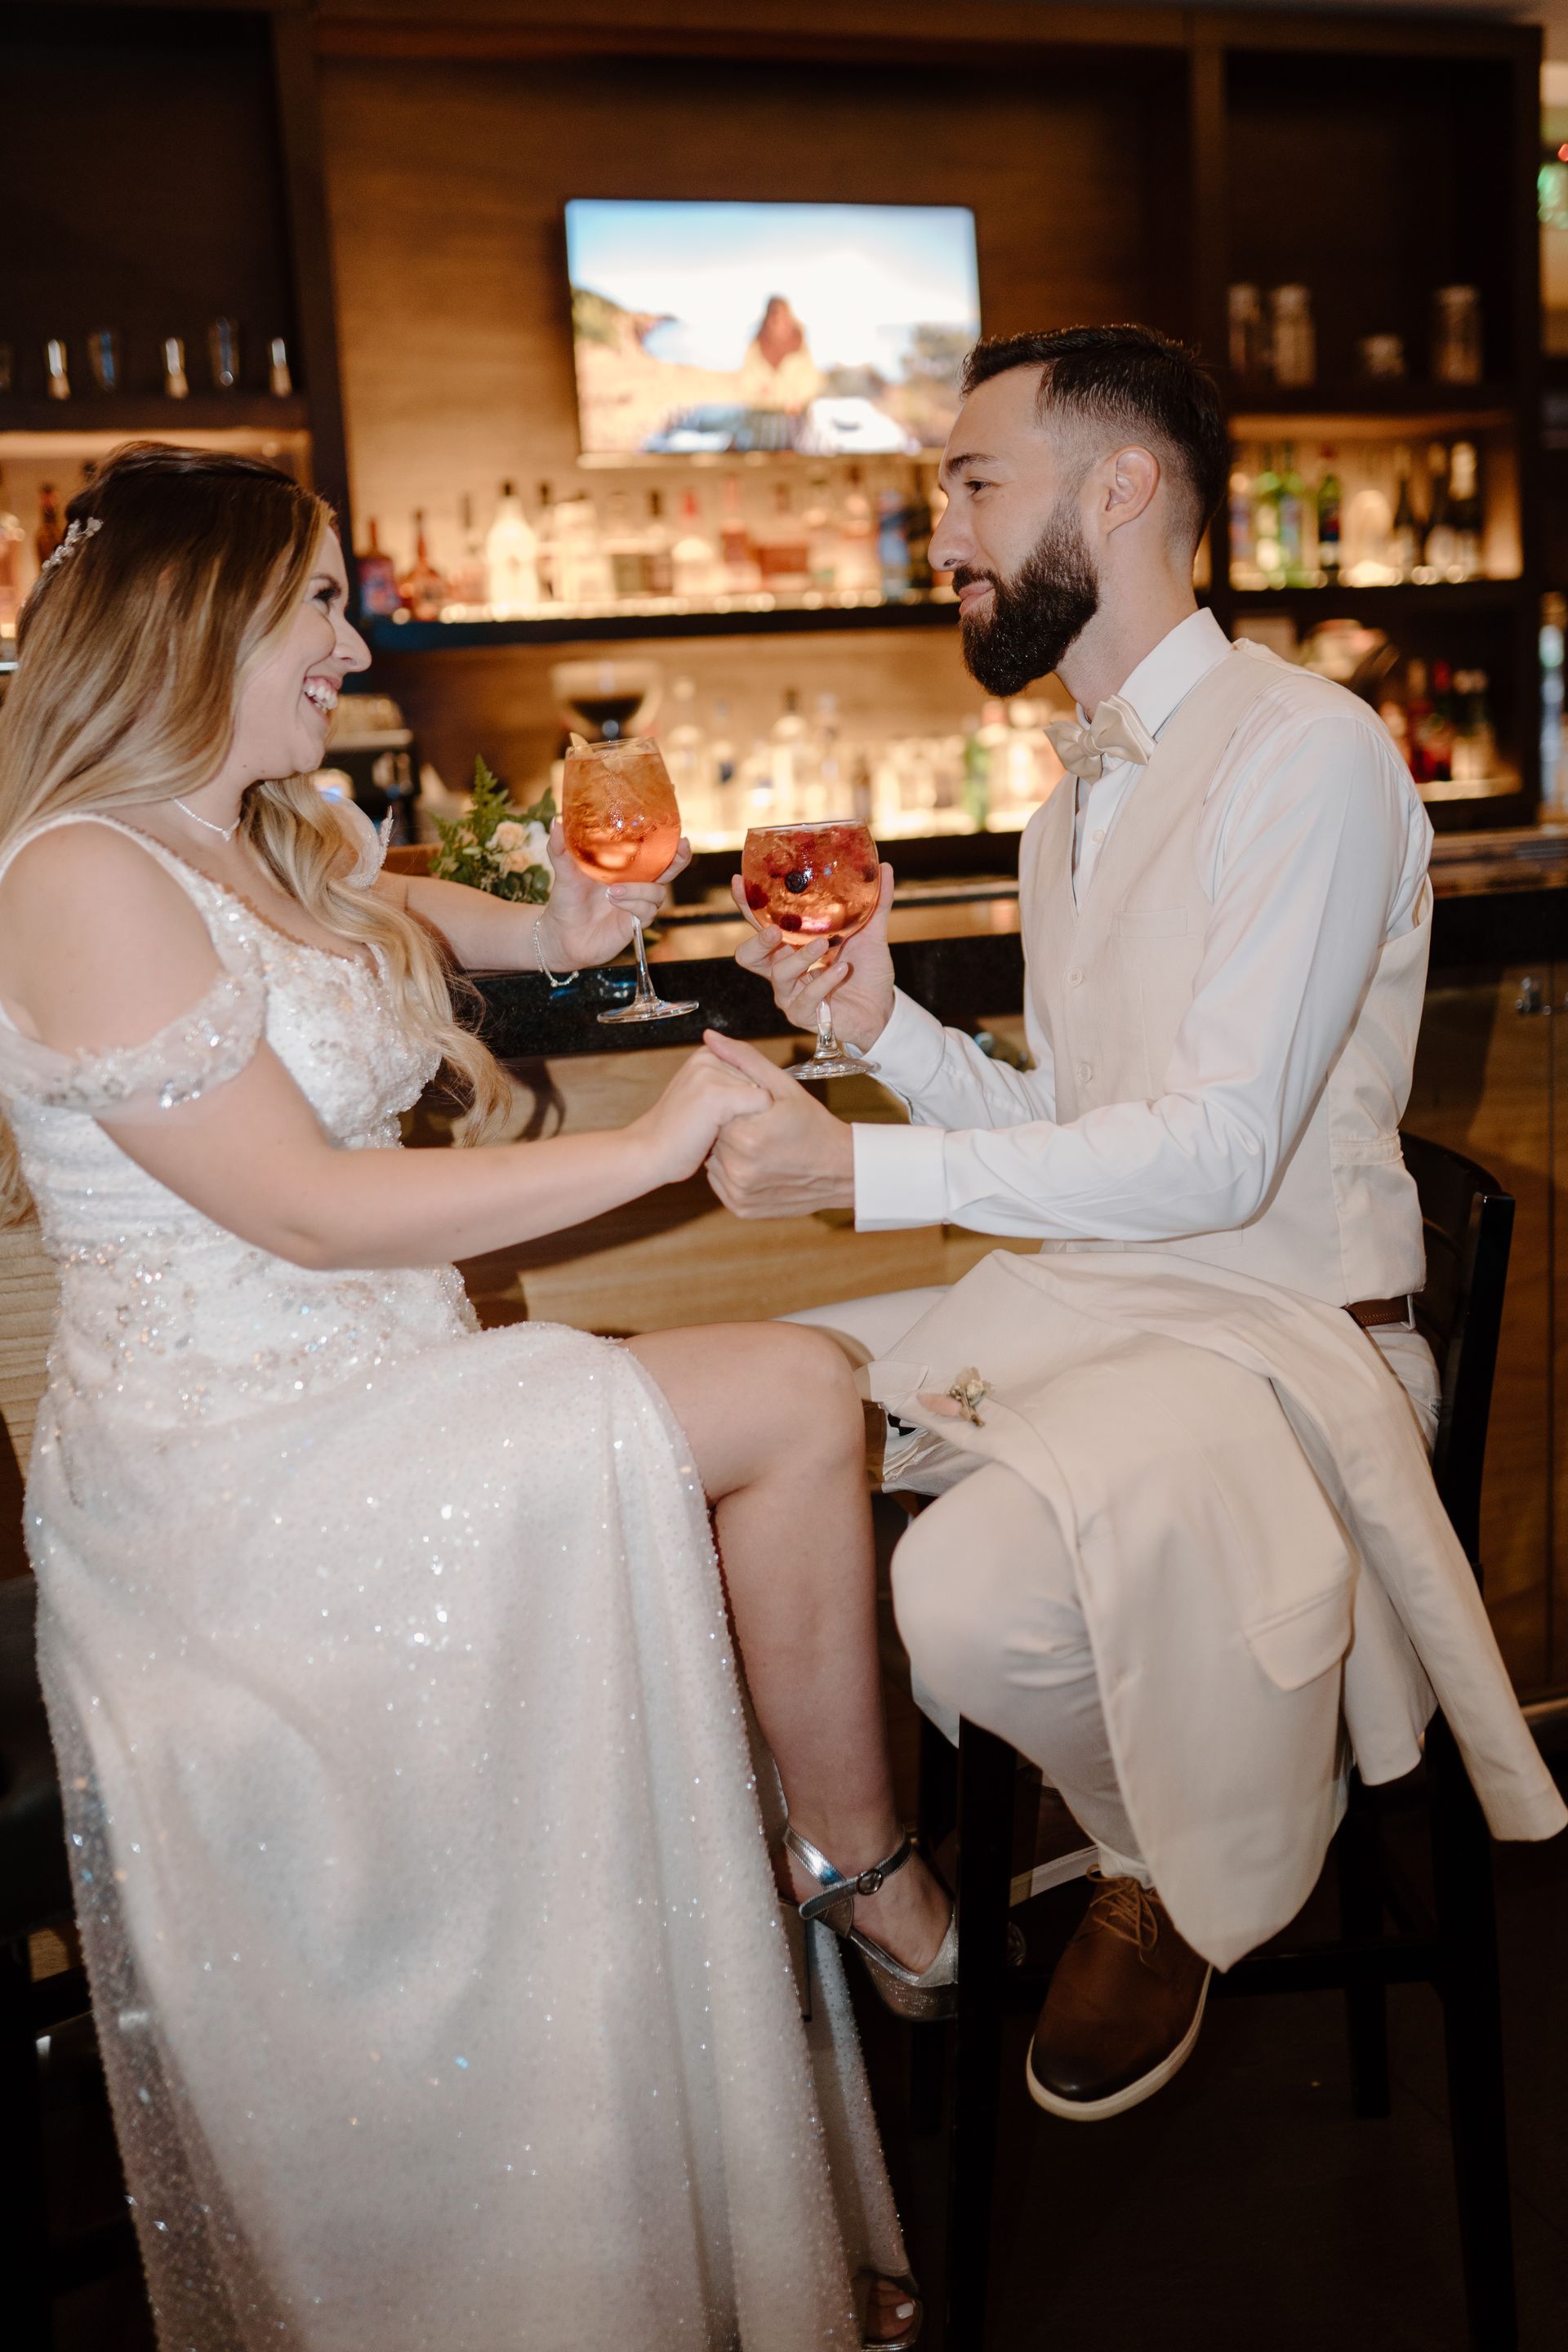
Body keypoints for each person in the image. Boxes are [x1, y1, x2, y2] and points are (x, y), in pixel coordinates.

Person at [0, 443, 955, 2350]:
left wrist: (577, 932)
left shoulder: (255, 823)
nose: (348, 648)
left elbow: (413, 911)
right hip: (230, 1484)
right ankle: (862, 1868)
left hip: (376, 1399)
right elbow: (312, 1206)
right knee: (786, 1387)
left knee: (764, 1397)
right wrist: (667, 1141)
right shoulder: (75, 876)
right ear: (200, 626)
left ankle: (825, 1864)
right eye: (318, 610)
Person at [706, 324, 1566, 2123]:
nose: (938, 526)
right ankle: (1064, 1833)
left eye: (971, 482)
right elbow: (1093, 1138)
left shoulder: (1310, 754)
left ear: (1123, 486)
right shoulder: (1061, 810)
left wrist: (856, 1172)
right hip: (1119, 1313)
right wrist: (885, 1037)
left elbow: (1215, 1161)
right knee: (765, 1441)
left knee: (956, 1593)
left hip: (1298, 1340)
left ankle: (1178, 1857)